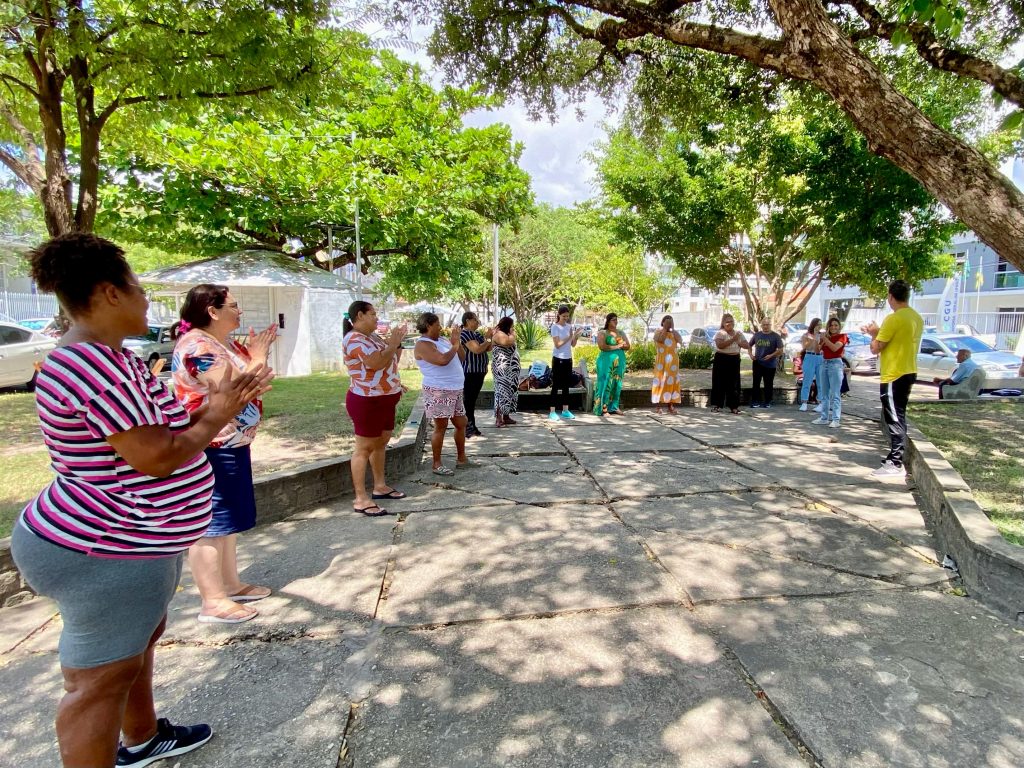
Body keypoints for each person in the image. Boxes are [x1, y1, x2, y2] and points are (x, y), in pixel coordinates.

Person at [11, 234, 272, 768]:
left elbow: (158, 433)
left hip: (128, 543)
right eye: (138, 288)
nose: (146, 299)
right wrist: (218, 413)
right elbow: (158, 456)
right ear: (111, 293)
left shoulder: (112, 359)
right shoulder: (91, 365)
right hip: (104, 548)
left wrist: (221, 405)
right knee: (98, 684)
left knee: (135, 646)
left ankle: (143, 737)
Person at [172, 285, 279, 624]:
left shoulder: (223, 344)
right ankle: (213, 600)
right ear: (212, 311)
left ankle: (231, 584)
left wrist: (255, 360)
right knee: (211, 522)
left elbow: (256, 382)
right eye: (233, 305)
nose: (239, 311)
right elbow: (233, 388)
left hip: (233, 443)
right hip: (211, 444)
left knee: (228, 521)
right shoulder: (198, 347)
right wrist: (258, 357)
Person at [342, 301, 409, 515]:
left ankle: (380, 486)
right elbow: (375, 363)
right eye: (373, 314)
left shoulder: (373, 337)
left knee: (381, 442)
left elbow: (391, 360)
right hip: (367, 401)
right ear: (360, 315)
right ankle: (361, 498)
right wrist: (392, 344)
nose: (377, 317)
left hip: (385, 399)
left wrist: (397, 344)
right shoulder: (354, 339)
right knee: (364, 449)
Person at [864, 279, 924, 478]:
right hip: (909, 370)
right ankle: (894, 457)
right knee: (899, 414)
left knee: (894, 417)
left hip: (894, 374)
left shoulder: (893, 319)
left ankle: (895, 463)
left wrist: (874, 333)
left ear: (891, 296)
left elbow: (876, 348)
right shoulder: (916, 318)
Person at [414, 312, 470, 475]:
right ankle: (437, 464)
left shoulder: (443, 340)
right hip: (438, 390)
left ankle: (462, 459)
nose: (440, 327)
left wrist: (457, 343)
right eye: (437, 324)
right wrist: (454, 345)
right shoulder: (423, 344)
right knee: (441, 426)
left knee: (461, 423)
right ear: (428, 325)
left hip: (455, 389)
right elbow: (442, 360)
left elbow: (462, 357)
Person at [459, 311, 492, 437]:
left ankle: (471, 425)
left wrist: (490, 338)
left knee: (472, 400)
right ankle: (468, 427)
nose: (478, 322)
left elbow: (487, 348)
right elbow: (477, 349)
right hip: (470, 372)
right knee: (469, 400)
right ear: (467, 321)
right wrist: (487, 339)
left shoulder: (477, 334)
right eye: (475, 319)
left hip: (479, 371)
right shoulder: (465, 334)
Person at [548, 304, 583, 421]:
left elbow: (572, 344)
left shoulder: (569, 326)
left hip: (568, 358)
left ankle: (565, 410)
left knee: (566, 385)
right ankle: (552, 411)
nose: (566, 318)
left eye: (567, 316)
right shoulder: (555, 327)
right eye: (564, 316)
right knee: (556, 385)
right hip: (558, 359)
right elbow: (557, 344)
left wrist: (575, 337)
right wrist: (569, 336)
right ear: (559, 315)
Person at [709, 313, 749, 414]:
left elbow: (747, 345)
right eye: (727, 322)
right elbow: (720, 345)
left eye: (731, 321)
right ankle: (717, 405)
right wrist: (733, 339)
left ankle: (733, 406)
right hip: (722, 359)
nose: (729, 323)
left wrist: (739, 342)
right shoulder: (720, 333)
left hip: (734, 359)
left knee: (734, 384)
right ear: (723, 323)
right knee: (719, 382)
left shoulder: (738, 333)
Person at [812, 318, 847, 428]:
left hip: (835, 364)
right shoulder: (826, 337)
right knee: (824, 393)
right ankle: (824, 418)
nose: (833, 327)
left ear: (839, 326)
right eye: (831, 325)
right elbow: (817, 350)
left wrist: (825, 339)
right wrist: (816, 338)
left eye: (836, 325)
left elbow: (835, 348)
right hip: (824, 363)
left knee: (835, 393)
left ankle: (836, 419)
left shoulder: (842, 336)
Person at [593, 313, 630, 415]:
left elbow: (628, 346)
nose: (616, 322)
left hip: (620, 362)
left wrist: (622, 345)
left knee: (617, 384)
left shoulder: (620, 332)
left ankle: (614, 407)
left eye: (616, 320)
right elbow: (602, 346)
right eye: (613, 320)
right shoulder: (603, 332)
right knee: (605, 383)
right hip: (606, 362)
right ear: (608, 321)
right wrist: (618, 346)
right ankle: (603, 408)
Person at [491, 316, 520, 427]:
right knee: (501, 392)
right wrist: (513, 334)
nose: (513, 328)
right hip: (502, 370)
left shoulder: (507, 334)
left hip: (511, 370)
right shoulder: (499, 334)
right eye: (511, 326)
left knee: (511, 392)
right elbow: (507, 342)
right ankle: (499, 418)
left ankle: (506, 416)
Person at [748, 318, 784, 409]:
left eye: (767, 324)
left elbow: (780, 350)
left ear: (770, 325)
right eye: (764, 324)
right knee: (756, 382)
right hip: (757, 362)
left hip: (770, 364)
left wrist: (771, 355)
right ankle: (755, 401)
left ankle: (768, 401)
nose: (765, 326)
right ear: (761, 325)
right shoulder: (757, 335)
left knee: (768, 383)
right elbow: (749, 345)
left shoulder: (775, 336)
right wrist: (751, 355)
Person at [651, 314, 683, 414]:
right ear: (663, 322)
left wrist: (672, 329)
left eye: (671, 321)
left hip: (672, 363)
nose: (669, 323)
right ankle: (658, 405)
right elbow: (660, 339)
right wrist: (665, 329)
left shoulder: (674, 333)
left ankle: (670, 405)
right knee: (660, 381)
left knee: (671, 382)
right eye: (667, 321)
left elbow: (680, 340)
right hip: (662, 362)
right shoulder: (658, 331)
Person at [798, 318, 824, 412]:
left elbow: (818, 349)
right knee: (807, 380)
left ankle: (820, 402)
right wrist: (813, 338)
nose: (819, 326)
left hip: (819, 357)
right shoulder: (806, 335)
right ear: (813, 325)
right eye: (817, 324)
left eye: (820, 324)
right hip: (809, 356)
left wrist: (817, 338)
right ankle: (804, 402)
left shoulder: (822, 335)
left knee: (820, 381)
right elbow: (805, 347)